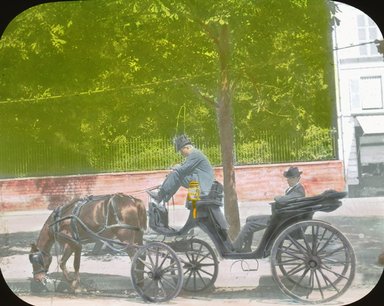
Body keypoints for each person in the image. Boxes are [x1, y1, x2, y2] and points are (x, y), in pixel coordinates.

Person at [232, 166, 306, 252]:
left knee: (249, 225)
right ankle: (246, 248)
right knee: (249, 219)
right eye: (288, 178)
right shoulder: (293, 189)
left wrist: (278, 197)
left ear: (297, 178)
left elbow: (282, 199)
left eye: (290, 178)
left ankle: (235, 247)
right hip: (280, 217)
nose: (288, 180)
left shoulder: (299, 190)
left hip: (280, 221)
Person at [147, 134, 215, 203]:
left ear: (187, 148)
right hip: (198, 182)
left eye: (181, 150)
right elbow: (182, 167)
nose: (181, 153)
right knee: (192, 206)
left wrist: (174, 170)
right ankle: (163, 196)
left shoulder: (194, 154)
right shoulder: (193, 155)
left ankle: (160, 196)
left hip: (202, 184)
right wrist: (172, 173)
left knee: (175, 174)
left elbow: (183, 169)